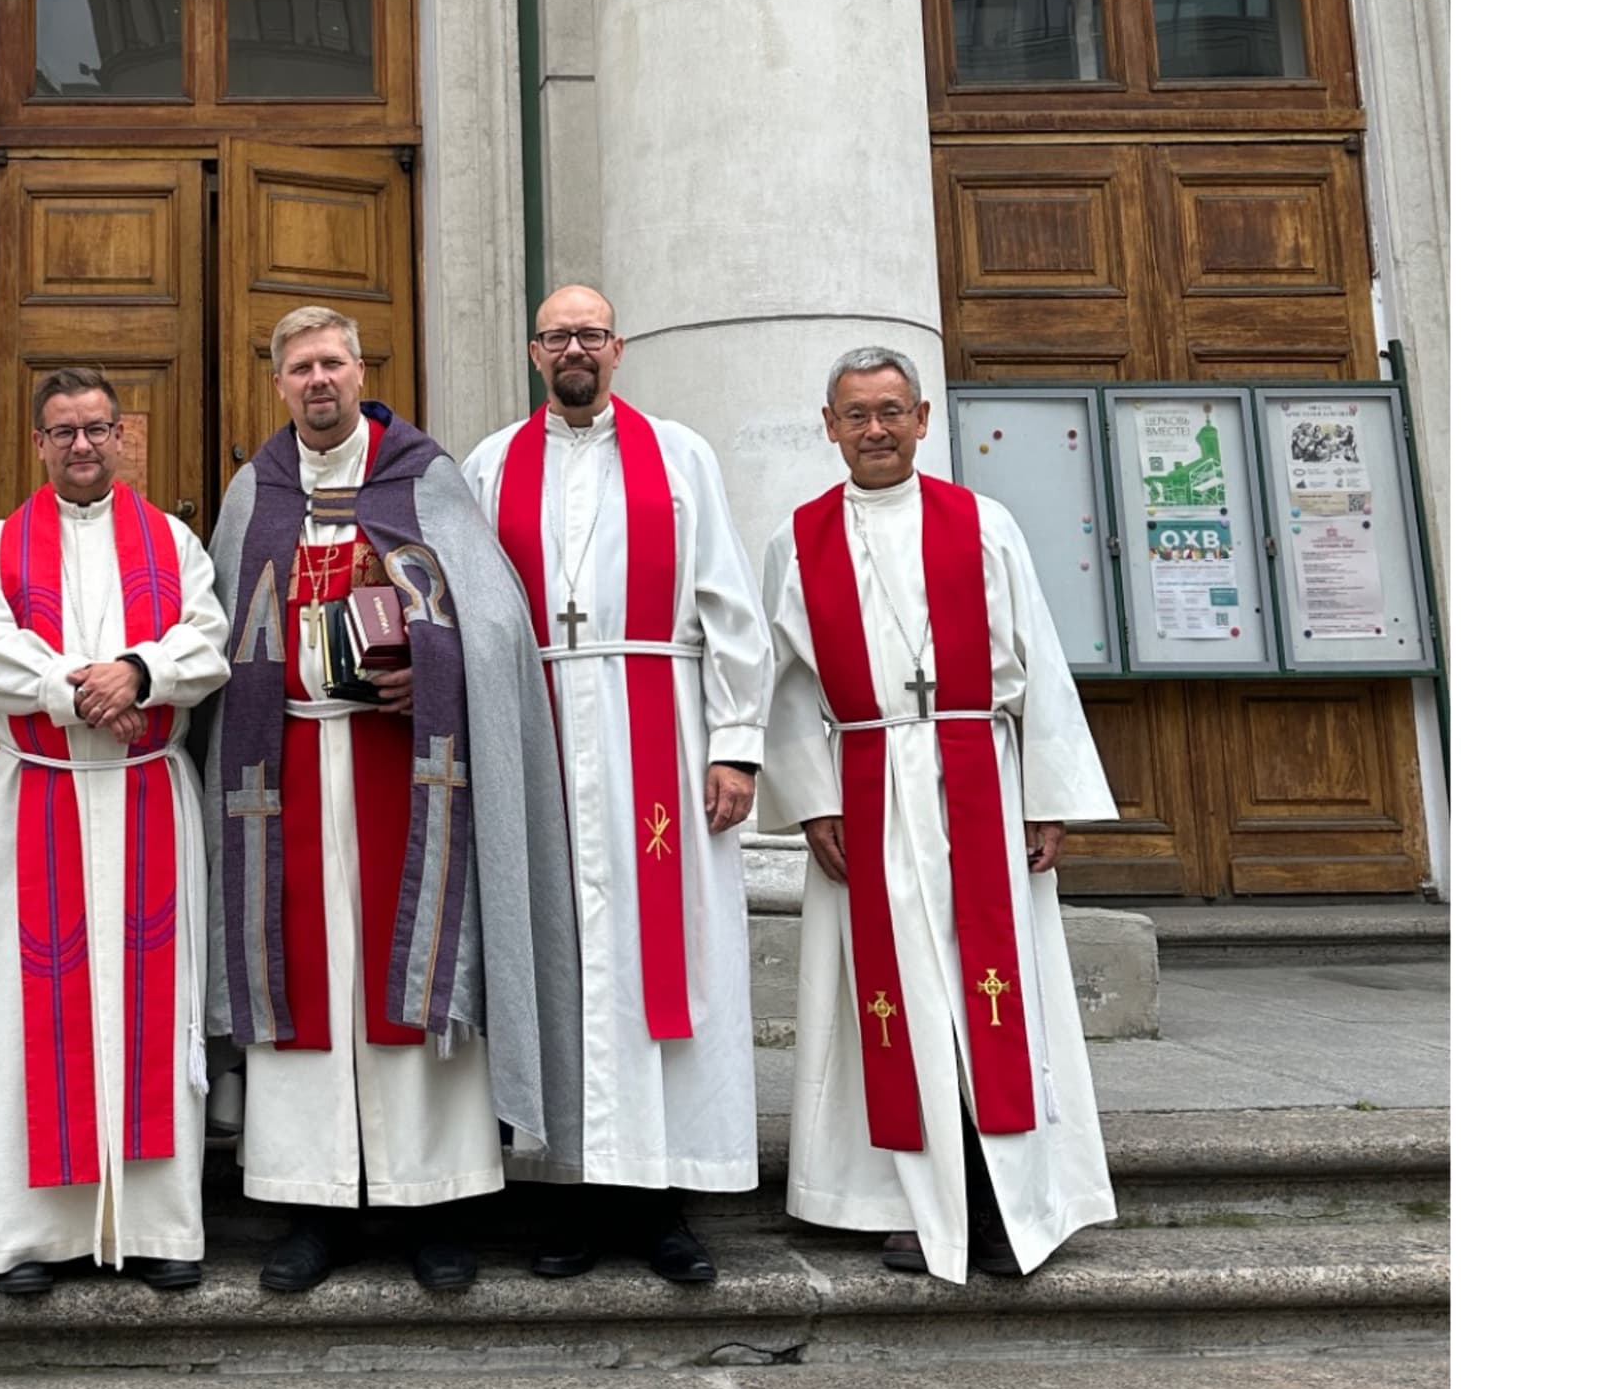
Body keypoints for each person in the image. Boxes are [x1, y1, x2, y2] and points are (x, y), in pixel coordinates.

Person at [199, 306, 574, 1294]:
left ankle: (434, 1204)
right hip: (279, 774)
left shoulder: (425, 476)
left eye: (333, 362)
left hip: (409, 772)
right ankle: (310, 1200)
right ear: (277, 381)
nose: (318, 380)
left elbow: (494, 625)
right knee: (309, 972)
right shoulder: (254, 493)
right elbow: (220, 624)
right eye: (299, 366)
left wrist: (431, 670)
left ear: (362, 370)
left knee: (407, 971)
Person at [758, 346, 1118, 1284]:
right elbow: (787, 689)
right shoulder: (800, 540)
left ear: (923, 420)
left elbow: (1038, 656)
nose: (875, 429)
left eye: (891, 410)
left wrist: (1047, 797)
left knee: (992, 994)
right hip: (868, 778)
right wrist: (810, 803)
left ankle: (1007, 1199)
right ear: (828, 427)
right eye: (856, 414)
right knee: (893, 1000)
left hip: (978, 777)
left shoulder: (982, 522)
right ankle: (904, 1199)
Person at [462, 285, 770, 1283]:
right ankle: (570, 1193)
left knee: (662, 959)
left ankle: (663, 1200)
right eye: (557, 336)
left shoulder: (681, 455)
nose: (575, 349)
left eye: (590, 333)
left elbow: (727, 600)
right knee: (562, 957)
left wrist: (735, 741)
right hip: (540, 732)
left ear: (618, 347)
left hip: (660, 737)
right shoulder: (490, 462)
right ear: (533, 352)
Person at [0, 368, 232, 1296]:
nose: (82, 445)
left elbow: (207, 639)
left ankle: (159, 1227)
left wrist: (140, 673)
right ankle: (34, 1236)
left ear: (125, 438)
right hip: (40, 795)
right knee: (29, 1019)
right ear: (38, 444)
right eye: (63, 431)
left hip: (148, 795)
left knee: (156, 1011)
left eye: (98, 429)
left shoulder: (174, 542)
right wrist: (85, 688)